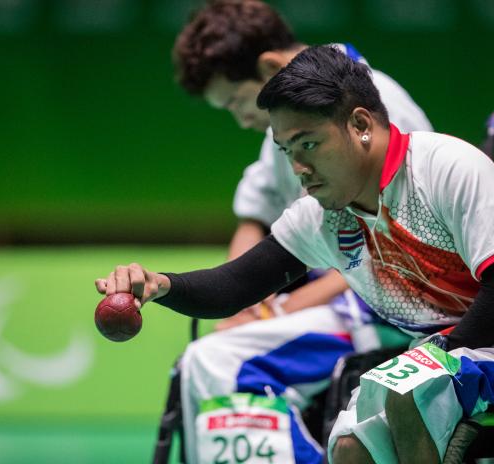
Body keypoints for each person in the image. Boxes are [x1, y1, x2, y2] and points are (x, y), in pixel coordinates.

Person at [97, 46, 494, 463]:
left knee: (408, 393)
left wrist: (436, 354)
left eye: (309, 144)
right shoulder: (322, 214)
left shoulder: (447, 168)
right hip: (440, 351)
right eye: (286, 150)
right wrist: (158, 285)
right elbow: (236, 286)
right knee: (349, 448)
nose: (298, 166)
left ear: (360, 124)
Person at [169, 1, 432, 462]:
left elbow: (384, 254)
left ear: (270, 66)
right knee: (208, 353)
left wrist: (278, 308)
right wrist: (245, 304)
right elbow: (256, 214)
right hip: (344, 307)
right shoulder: (293, 126)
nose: (239, 117)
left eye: (235, 101)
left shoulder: (370, 108)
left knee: (218, 363)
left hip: (390, 314)